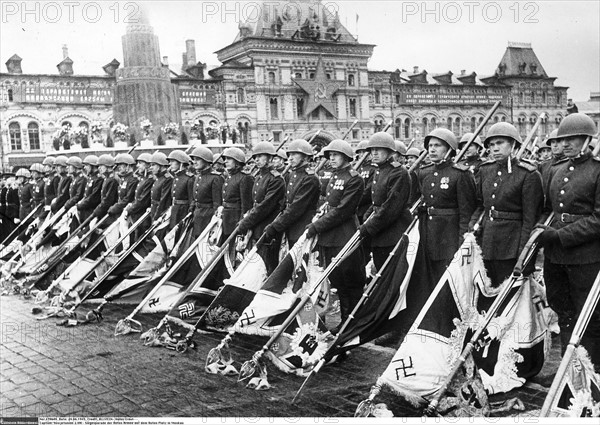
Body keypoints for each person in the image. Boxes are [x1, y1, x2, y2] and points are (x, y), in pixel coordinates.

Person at [537, 113, 600, 371]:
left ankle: (590, 371)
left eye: (572, 139)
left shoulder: (597, 171)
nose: (564, 145)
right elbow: (548, 209)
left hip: (585, 256)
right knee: (563, 312)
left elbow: (598, 219)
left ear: (587, 139)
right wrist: (544, 231)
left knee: (590, 317)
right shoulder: (557, 170)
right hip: (555, 256)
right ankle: (567, 369)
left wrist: (562, 235)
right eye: (562, 139)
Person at [470, 122, 543, 287]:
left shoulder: (528, 175)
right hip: (487, 242)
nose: (494, 148)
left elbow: (530, 219)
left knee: (511, 295)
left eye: (500, 143)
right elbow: (481, 205)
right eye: (491, 144)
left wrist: (523, 253)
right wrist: (471, 229)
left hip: (512, 245)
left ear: (513, 145)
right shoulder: (485, 170)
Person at [305, 139, 365, 332]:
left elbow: (343, 211)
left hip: (344, 234)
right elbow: (329, 204)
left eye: (335, 155)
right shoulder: (334, 176)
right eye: (330, 155)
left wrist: (316, 226)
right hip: (330, 235)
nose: (331, 158)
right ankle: (344, 321)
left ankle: (351, 321)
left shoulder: (354, 178)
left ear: (346, 157)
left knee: (350, 280)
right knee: (338, 280)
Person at [417, 128, 477, 283]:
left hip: (449, 237)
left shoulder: (460, 174)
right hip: (429, 235)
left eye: (437, 145)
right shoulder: (425, 172)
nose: (432, 149)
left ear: (449, 149)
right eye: (430, 145)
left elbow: (466, 213)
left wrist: (461, 244)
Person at [359, 132, 412, 270]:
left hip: (393, 234)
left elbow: (390, 207)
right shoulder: (380, 170)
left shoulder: (398, 172)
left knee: (390, 275)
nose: (374, 153)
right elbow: (376, 202)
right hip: (380, 233)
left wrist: (368, 227)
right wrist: (367, 217)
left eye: (378, 149)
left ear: (389, 151)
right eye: (372, 150)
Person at [236, 142, 285, 273]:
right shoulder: (259, 177)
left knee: (267, 264)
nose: (256, 160)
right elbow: (254, 204)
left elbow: (265, 206)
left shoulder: (276, 180)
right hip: (256, 226)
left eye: (260, 156)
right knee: (255, 264)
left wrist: (245, 222)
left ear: (269, 158)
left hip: (267, 227)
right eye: (255, 157)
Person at [263, 139, 320, 249]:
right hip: (290, 224)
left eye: (294, 154)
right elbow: (285, 202)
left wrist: (275, 226)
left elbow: (297, 207)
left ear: (305, 156)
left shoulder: (310, 178)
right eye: (289, 155)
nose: (290, 158)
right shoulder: (292, 174)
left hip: (302, 226)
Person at [189, 146, 223, 238]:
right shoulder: (198, 177)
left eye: (198, 159)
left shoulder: (215, 178)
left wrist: (214, 222)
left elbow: (217, 204)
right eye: (194, 160)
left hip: (208, 218)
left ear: (206, 160)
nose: (194, 162)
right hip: (197, 217)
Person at [220, 147, 253, 241]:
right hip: (226, 219)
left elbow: (246, 205)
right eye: (225, 159)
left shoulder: (244, 178)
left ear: (237, 162)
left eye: (229, 159)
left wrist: (242, 222)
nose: (225, 161)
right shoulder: (229, 177)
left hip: (235, 219)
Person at [125, 153, 154, 239]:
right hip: (137, 216)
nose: (138, 165)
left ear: (148, 165)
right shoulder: (144, 179)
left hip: (143, 218)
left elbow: (142, 201)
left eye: (140, 163)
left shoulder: (149, 180)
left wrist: (129, 210)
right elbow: (137, 198)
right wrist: (131, 205)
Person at [167, 150, 194, 231]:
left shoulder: (189, 178)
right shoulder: (176, 177)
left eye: (173, 161)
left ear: (180, 163)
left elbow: (191, 200)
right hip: (175, 211)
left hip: (183, 212)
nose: (170, 164)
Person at [108, 154, 138, 220]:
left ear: (128, 166)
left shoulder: (133, 180)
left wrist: (115, 208)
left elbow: (127, 199)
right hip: (120, 212)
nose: (119, 167)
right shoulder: (123, 179)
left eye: (121, 164)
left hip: (128, 215)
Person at [77, 155, 103, 224]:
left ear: (93, 166)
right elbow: (86, 195)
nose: (84, 167)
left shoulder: (99, 179)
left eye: (86, 165)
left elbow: (93, 198)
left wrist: (80, 205)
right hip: (85, 212)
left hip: (91, 212)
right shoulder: (91, 178)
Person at [354, 141, 375, 225]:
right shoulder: (357, 168)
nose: (362, 154)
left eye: (364, 152)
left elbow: (368, 191)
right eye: (360, 152)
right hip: (356, 209)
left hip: (366, 207)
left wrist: (354, 201)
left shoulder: (373, 168)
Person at [149, 152, 173, 223]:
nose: (151, 167)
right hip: (154, 212)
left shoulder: (168, 179)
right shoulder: (159, 178)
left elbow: (163, 201)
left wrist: (156, 218)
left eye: (153, 165)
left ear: (161, 166)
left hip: (161, 216)